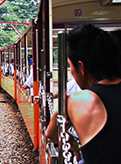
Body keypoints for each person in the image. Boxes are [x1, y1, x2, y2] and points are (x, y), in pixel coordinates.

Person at [46, 23, 121, 163]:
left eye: (71, 66)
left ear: (81, 67)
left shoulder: (76, 102)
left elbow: (52, 135)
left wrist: (69, 138)